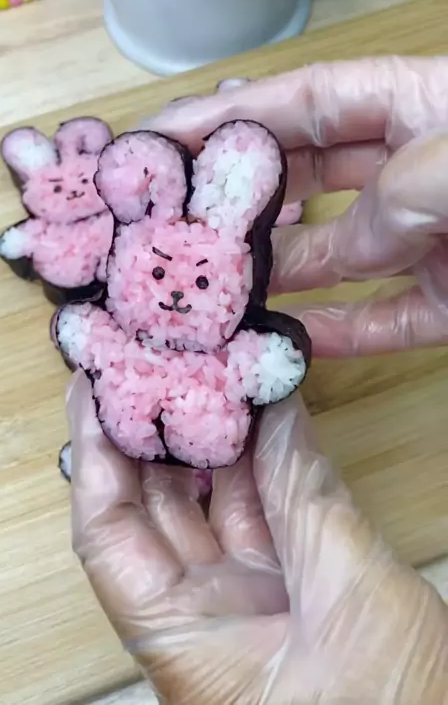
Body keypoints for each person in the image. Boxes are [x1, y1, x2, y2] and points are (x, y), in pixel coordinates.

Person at [67, 57, 448, 703]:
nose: (178, 293)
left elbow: (257, 355)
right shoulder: (125, 310)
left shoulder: (239, 297)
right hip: (140, 390)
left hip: (213, 409)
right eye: (157, 273)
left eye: (201, 279)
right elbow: (92, 332)